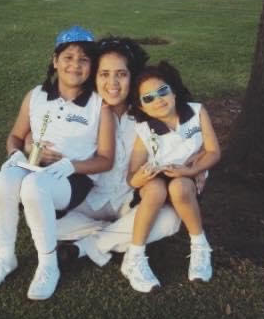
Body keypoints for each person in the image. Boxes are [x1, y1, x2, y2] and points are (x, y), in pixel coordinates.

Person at [0, 26, 115, 300]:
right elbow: (15, 136)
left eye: (84, 59)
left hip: (74, 178)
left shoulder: (99, 104)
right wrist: (17, 153)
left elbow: (106, 160)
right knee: (3, 181)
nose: (75, 65)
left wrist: (72, 165)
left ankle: (48, 263)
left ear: (91, 66)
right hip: (35, 166)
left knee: (33, 187)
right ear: (55, 60)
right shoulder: (36, 95)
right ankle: (5, 257)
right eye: (68, 57)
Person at [54, 38, 201, 267]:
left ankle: (86, 246)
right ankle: (114, 235)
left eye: (121, 74)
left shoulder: (150, 109)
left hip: (130, 200)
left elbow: (185, 138)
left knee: (171, 220)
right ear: (95, 76)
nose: (112, 82)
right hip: (89, 198)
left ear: (132, 76)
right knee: (46, 222)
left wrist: (197, 165)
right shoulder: (84, 111)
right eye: (104, 74)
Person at [121, 60, 221, 293]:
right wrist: (143, 175)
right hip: (155, 179)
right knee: (156, 190)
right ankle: (134, 256)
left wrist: (191, 171)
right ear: (142, 107)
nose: (158, 100)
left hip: (187, 177)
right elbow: (131, 178)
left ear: (174, 91)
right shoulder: (144, 130)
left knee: (179, 188)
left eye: (162, 91)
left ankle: (199, 245)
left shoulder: (196, 112)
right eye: (148, 98)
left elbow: (214, 151)